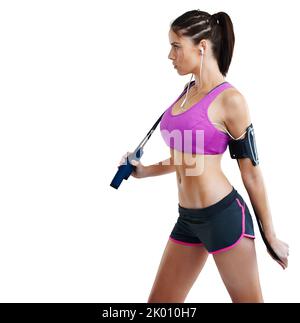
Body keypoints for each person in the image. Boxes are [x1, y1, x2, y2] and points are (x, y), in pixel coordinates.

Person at [119, 10, 289, 303]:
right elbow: (186, 159)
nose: (170, 56)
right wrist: (144, 171)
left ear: (202, 46)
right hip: (188, 219)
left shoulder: (230, 100)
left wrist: (269, 235)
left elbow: (251, 173)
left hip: (223, 217)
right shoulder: (186, 92)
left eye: (176, 46)